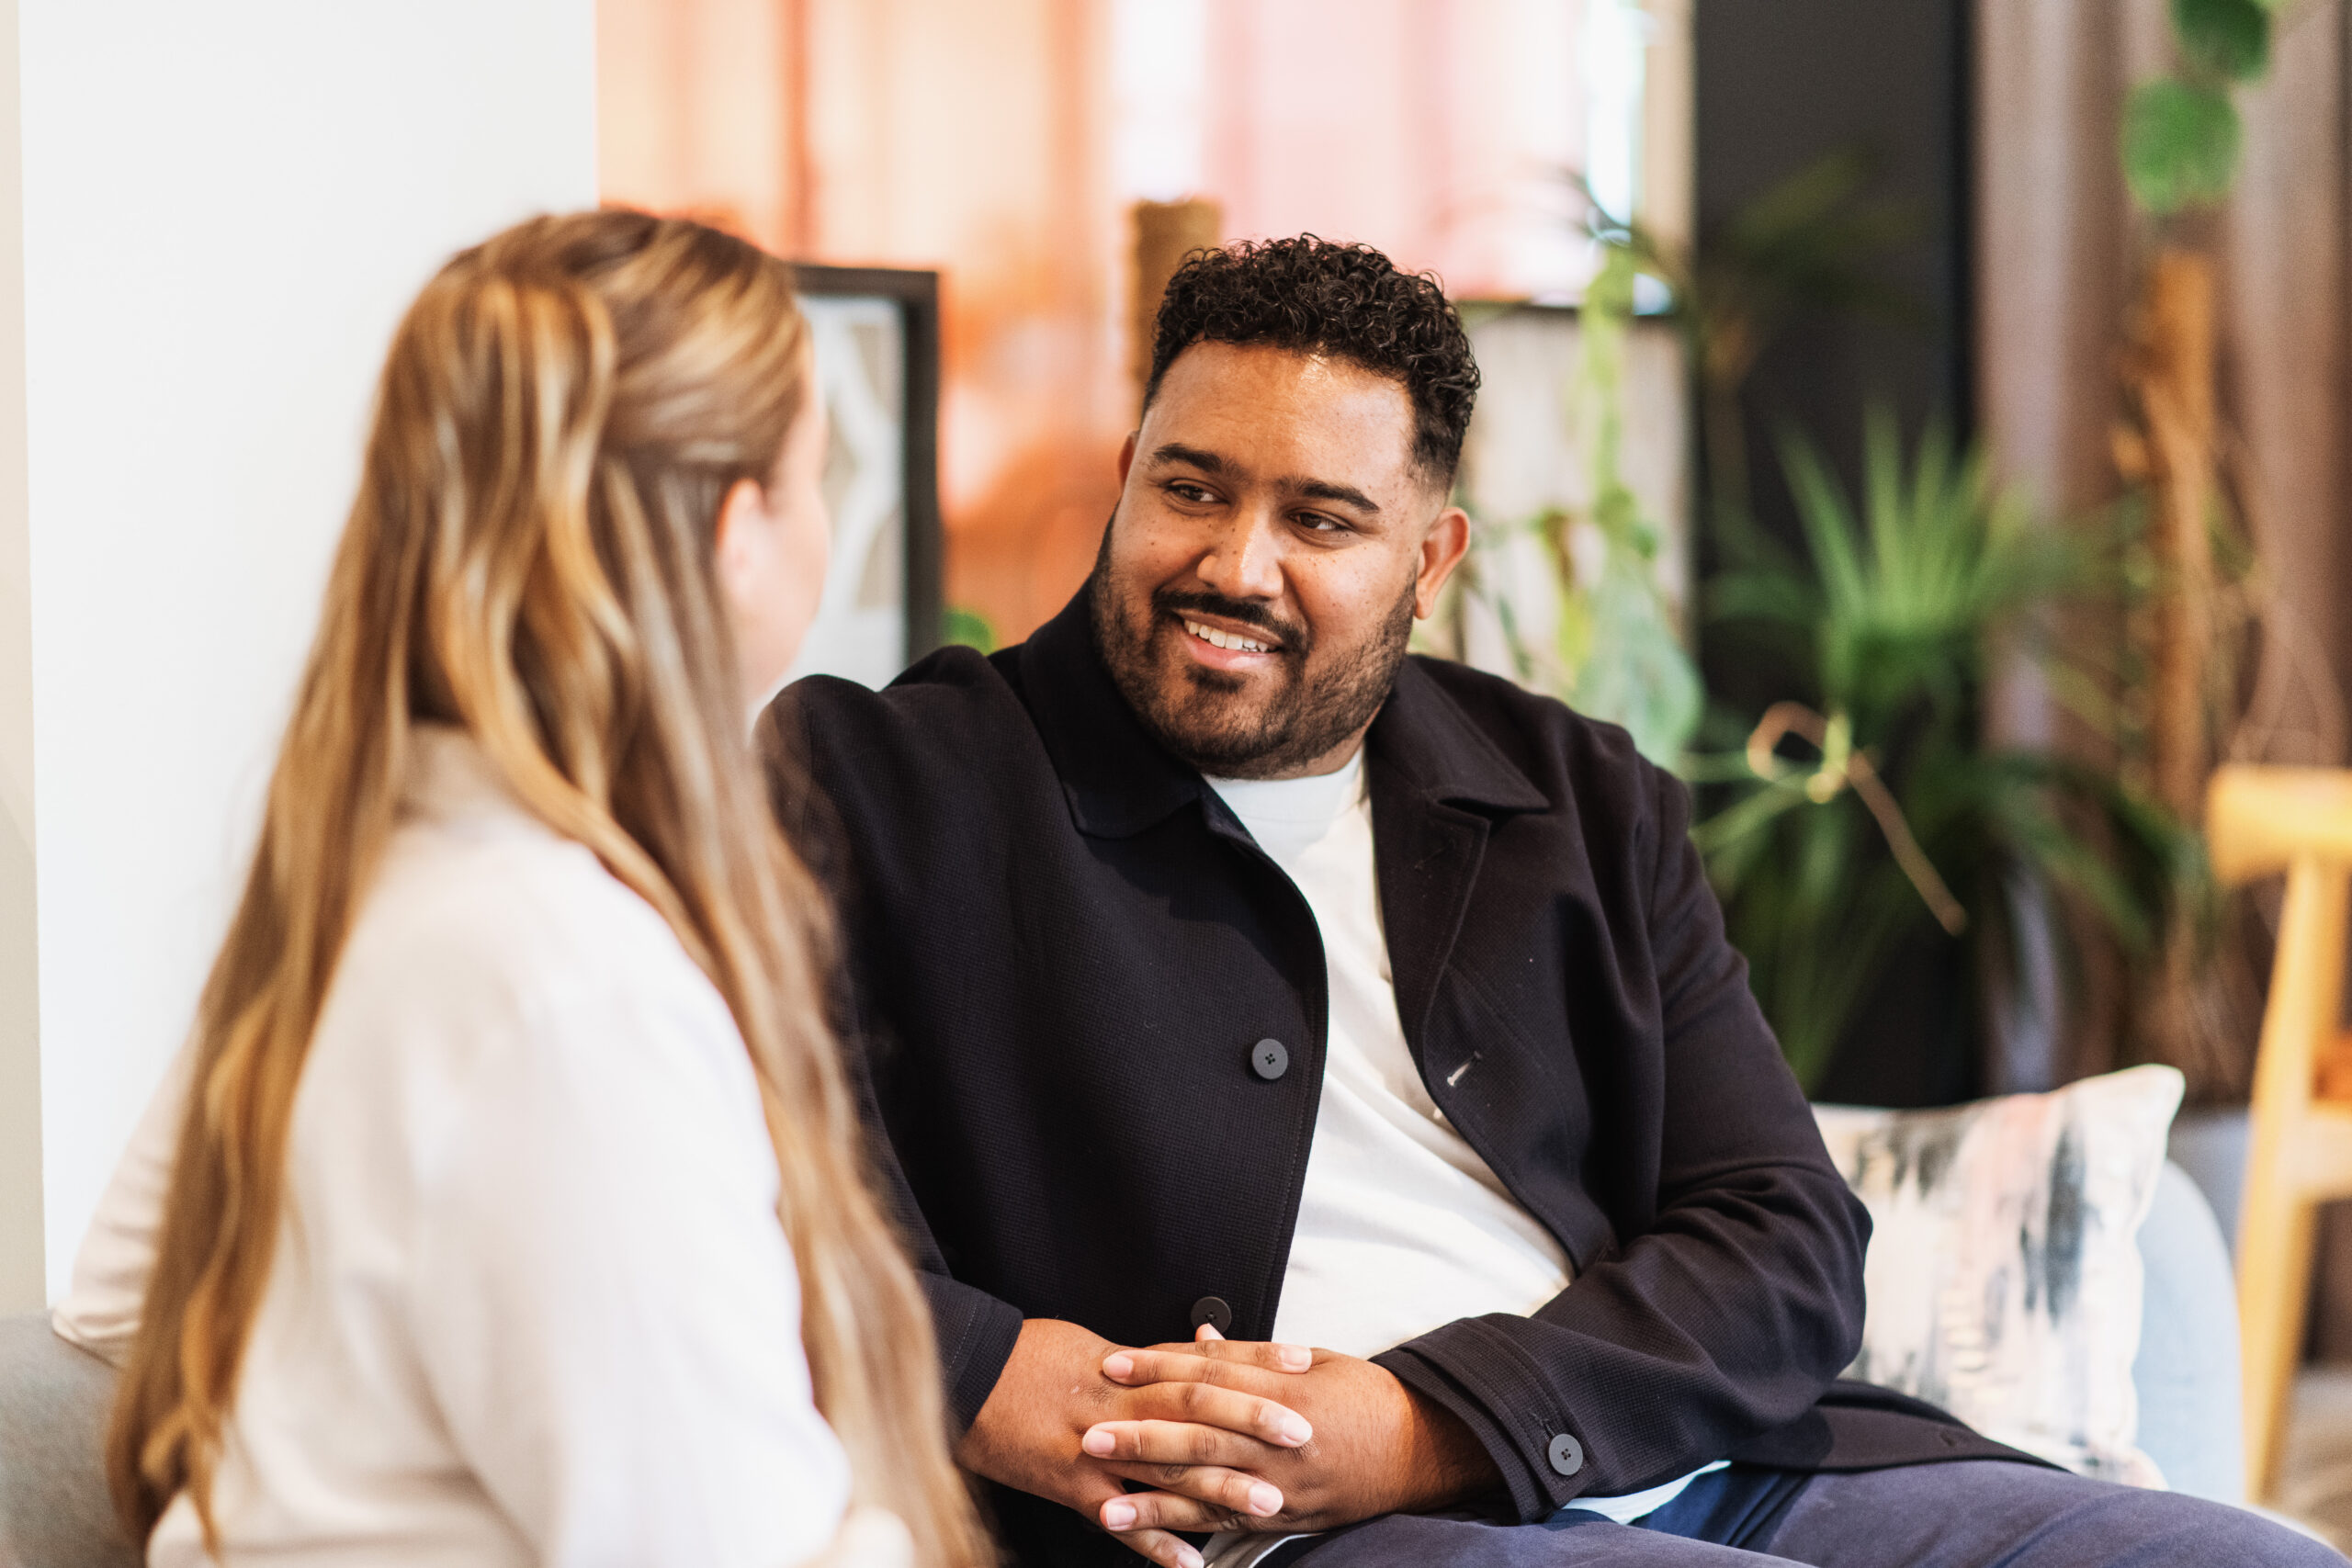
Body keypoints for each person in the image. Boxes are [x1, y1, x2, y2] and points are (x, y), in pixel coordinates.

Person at [765, 236, 2340, 1568]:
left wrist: (1425, 1424)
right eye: (1193, 488)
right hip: (1274, 1534)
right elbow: (776, 1206)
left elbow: (1784, 1237)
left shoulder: (1571, 795)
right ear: (1126, 478)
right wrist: (995, 1382)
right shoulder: (885, 783)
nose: (1236, 564)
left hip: (1716, 1475)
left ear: (1428, 558)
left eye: (1322, 520)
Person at [53, 211, 986, 1568]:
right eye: (816, 474)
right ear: (739, 536)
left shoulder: (378, 886)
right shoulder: (564, 983)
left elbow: (127, 1302)